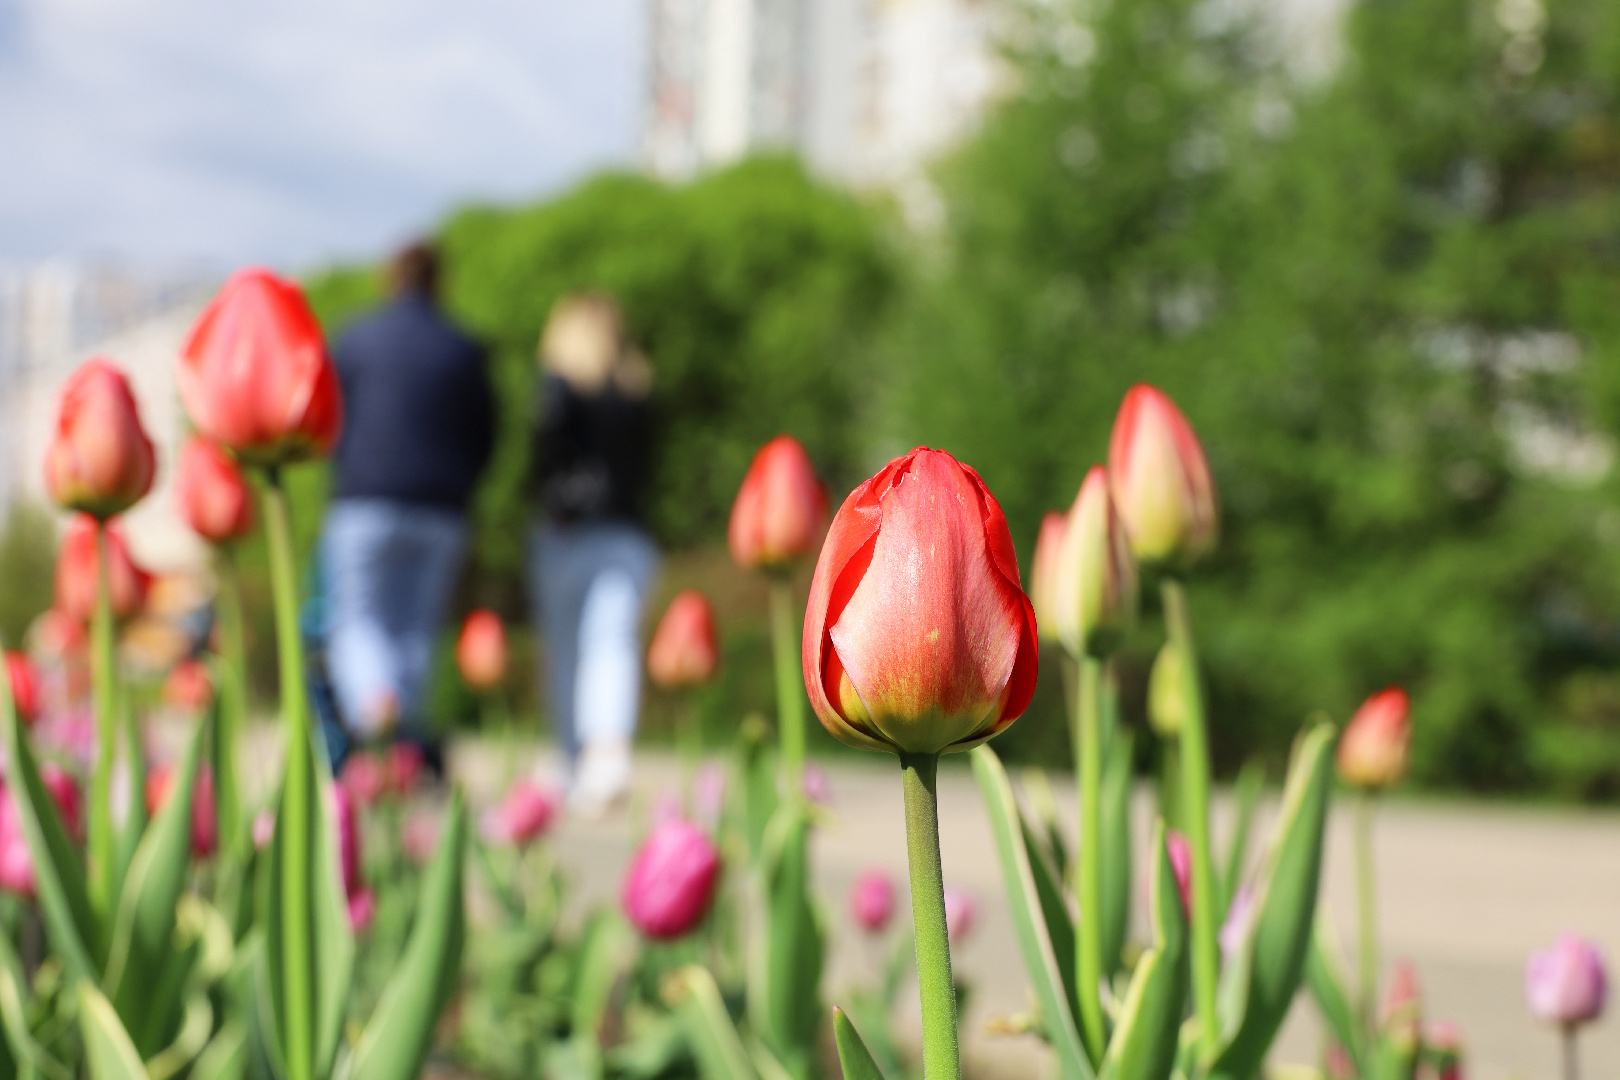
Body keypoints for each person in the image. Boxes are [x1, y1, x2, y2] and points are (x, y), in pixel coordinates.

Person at [320, 242, 494, 769]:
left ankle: (376, 717)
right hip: (440, 507)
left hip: (364, 500)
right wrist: (461, 483)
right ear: (440, 281)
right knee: (416, 628)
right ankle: (406, 745)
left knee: (358, 619)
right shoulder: (463, 349)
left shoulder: (355, 339)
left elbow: (327, 419)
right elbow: (487, 434)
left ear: (390, 278)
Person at [530, 292, 657, 815]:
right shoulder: (639, 390)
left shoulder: (558, 389)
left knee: (567, 650)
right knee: (613, 644)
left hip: (568, 531)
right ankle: (608, 758)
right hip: (628, 533)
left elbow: (543, 459)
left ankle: (570, 757)